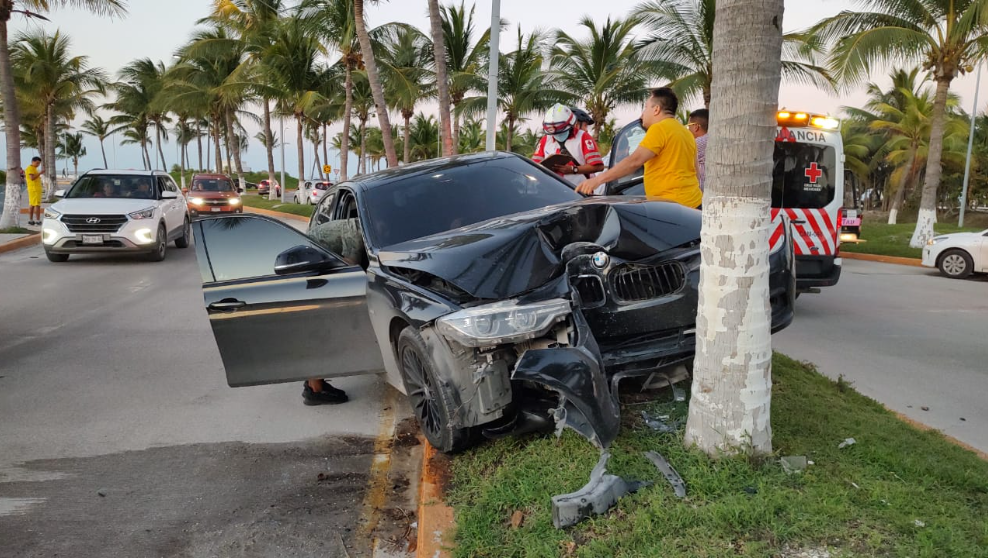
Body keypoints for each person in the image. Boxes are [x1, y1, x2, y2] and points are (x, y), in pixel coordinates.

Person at [577, 88, 702, 210]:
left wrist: (597, 180)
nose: (642, 114)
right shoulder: (685, 133)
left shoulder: (659, 128)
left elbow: (634, 161)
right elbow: (696, 172)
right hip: (694, 203)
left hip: (672, 207)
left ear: (656, 109)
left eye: (646, 107)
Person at [532, 104, 605, 189]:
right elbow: (534, 166)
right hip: (551, 192)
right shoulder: (545, 140)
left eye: (561, 131)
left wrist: (573, 169)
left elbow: (599, 166)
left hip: (579, 193)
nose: (557, 135)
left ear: (571, 124)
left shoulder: (584, 138)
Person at [688, 108, 709, 191]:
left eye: (689, 126)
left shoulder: (696, 143)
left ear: (696, 126)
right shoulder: (713, 139)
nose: (688, 129)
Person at [25, 156, 44, 226]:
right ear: (32, 162)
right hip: (34, 189)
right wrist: (40, 173)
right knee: (37, 205)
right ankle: (38, 220)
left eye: (39, 163)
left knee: (32, 205)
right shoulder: (30, 168)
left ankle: (31, 220)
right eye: (37, 163)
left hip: (34, 189)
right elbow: (32, 178)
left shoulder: (34, 169)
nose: (38, 165)